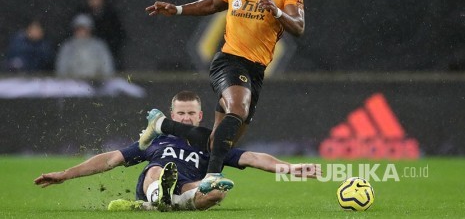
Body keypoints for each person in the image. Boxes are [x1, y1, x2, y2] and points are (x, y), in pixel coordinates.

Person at [142, 0, 305, 193]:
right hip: (229, 61)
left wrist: (278, 12)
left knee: (218, 142)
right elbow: (212, 4)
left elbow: (298, 26)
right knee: (237, 108)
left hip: (256, 70)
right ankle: (212, 176)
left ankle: (163, 126)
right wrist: (177, 9)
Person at [34, 91, 320, 212]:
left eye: (190, 114)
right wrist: (66, 174)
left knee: (218, 189)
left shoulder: (211, 143)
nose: (184, 118)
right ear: (171, 114)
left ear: (200, 116)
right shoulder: (154, 142)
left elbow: (254, 157)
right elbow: (110, 159)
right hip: (154, 181)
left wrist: (291, 168)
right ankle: (159, 197)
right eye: (180, 113)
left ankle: (159, 205)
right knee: (157, 170)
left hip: (189, 187)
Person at [76, 0, 127, 70]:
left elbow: (119, 34)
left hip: (109, 48)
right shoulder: (83, 13)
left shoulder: (110, 14)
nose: (95, 1)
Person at [55, 13, 114, 79]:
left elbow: (107, 68)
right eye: (78, 29)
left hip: (96, 83)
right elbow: (61, 69)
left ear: (90, 30)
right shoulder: (67, 46)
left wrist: (103, 80)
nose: (81, 32)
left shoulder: (99, 46)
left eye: (84, 29)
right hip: (73, 83)